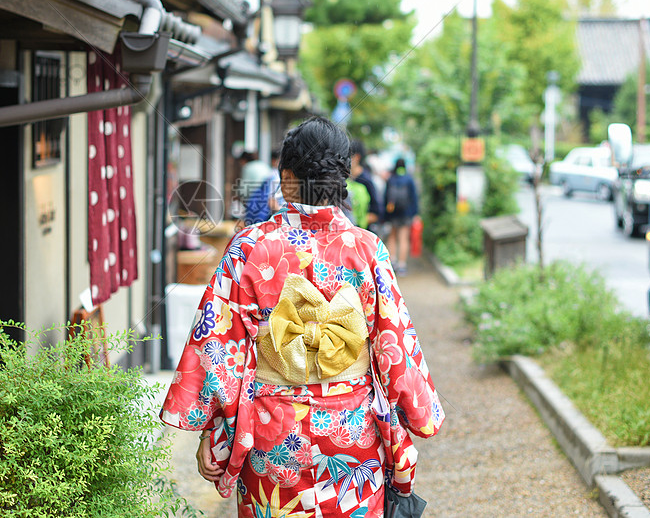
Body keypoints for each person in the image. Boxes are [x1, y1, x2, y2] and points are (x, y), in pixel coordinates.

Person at [160, 117, 443, 516]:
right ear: (343, 178)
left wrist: (218, 434)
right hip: (351, 435)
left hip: (272, 439)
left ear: (286, 177)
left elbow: (219, 348)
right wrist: (417, 413)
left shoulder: (250, 248)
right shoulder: (367, 249)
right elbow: (394, 346)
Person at [384, 158, 419, 276]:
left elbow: (385, 197)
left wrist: (385, 214)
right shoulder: (409, 179)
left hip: (393, 213)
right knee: (403, 238)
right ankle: (402, 265)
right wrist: (415, 213)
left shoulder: (391, 179)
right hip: (406, 213)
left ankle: (392, 262)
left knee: (392, 237)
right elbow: (414, 197)